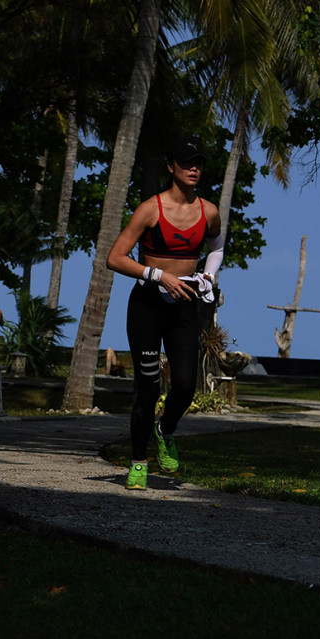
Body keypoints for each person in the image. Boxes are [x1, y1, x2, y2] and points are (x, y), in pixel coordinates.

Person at [106, 138, 223, 491]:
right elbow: (116, 257)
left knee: (186, 384)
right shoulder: (150, 210)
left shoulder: (209, 211)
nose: (194, 169)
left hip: (185, 305)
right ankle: (139, 462)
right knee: (148, 387)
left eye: (199, 163)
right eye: (187, 162)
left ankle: (166, 429)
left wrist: (208, 276)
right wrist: (157, 275)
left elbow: (217, 247)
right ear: (171, 166)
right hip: (147, 304)